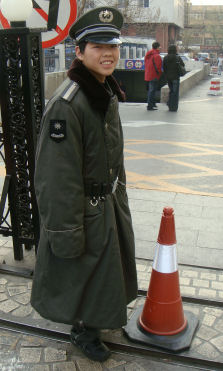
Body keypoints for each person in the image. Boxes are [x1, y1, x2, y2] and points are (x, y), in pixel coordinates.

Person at [31, 6, 138, 363]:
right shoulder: (68, 104)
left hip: (105, 204)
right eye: (97, 46)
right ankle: (84, 329)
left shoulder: (103, 89)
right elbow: (55, 178)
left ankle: (99, 319)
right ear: (79, 51)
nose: (108, 54)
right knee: (85, 272)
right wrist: (64, 231)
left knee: (105, 270)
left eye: (113, 46)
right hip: (84, 210)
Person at [163, 44, 185, 112]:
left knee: (171, 91)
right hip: (176, 77)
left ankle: (170, 105)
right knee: (175, 93)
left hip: (169, 78)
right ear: (175, 50)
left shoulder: (165, 58)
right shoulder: (177, 58)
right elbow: (183, 65)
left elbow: (164, 68)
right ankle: (174, 107)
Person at [144, 41, 162, 110]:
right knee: (152, 90)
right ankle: (150, 105)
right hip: (154, 75)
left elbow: (145, 63)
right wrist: (159, 75)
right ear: (157, 47)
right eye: (159, 46)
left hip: (148, 74)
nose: (160, 47)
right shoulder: (157, 56)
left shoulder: (148, 54)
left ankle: (152, 103)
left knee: (150, 90)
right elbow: (158, 67)